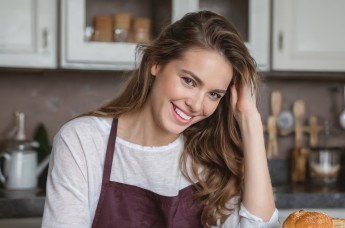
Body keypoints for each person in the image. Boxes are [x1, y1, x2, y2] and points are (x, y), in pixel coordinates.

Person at [42, 10, 279, 227]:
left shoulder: (208, 157)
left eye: (214, 94)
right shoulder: (83, 141)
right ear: (156, 63)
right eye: (189, 81)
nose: (196, 105)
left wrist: (250, 117)